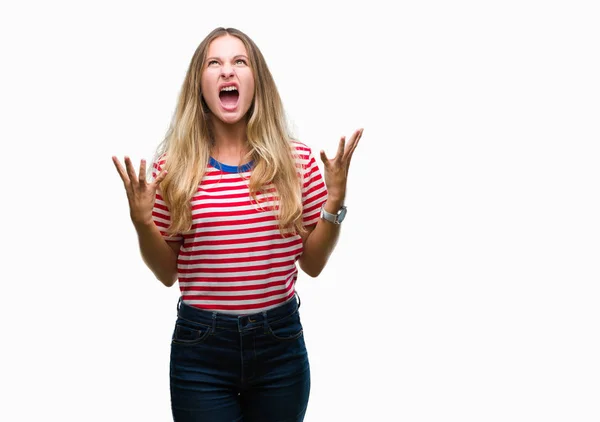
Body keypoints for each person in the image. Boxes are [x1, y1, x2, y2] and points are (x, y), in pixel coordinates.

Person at [112, 26, 363, 422]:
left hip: (279, 344)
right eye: (215, 63)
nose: (227, 71)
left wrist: (334, 203)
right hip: (202, 350)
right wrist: (143, 222)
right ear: (200, 84)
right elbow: (165, 273)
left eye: (239, 62)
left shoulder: (297, 162)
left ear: (256, 80)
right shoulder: (173, 169)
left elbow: (312, 265)